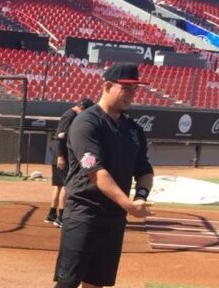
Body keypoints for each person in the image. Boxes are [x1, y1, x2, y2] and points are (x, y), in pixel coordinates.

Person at [53, 62, 154, 288]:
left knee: (96, 283)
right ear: (107, 86)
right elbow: (96, 173)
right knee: (67, 283)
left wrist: (140, 196)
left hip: (114, 219)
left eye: (135, 89)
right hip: (84, 214)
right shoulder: (86, 123)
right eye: (126, 88)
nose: (132, 94)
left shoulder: (133, 129)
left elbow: (145, 170)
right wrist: (129, 204)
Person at [44, 97, 94, 228]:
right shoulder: (70, 116)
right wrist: (61, 156)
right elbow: (60, 137)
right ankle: (61, 218)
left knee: (59, 186)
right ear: (82, 108)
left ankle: (51, 214)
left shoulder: (69, 115)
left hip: (60, 156)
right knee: (67, 186)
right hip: (62, 157)